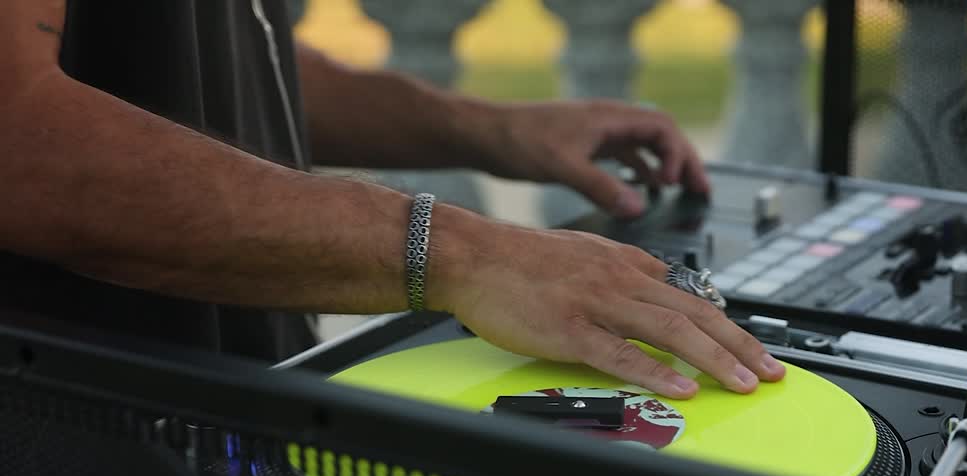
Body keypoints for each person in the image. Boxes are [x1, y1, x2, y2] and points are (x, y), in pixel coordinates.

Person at [0, 0, 785, 399]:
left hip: (230, 407)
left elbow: (241, 55)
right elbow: (16, 137)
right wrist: (462, 252)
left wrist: (487, 131)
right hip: (75, 457)